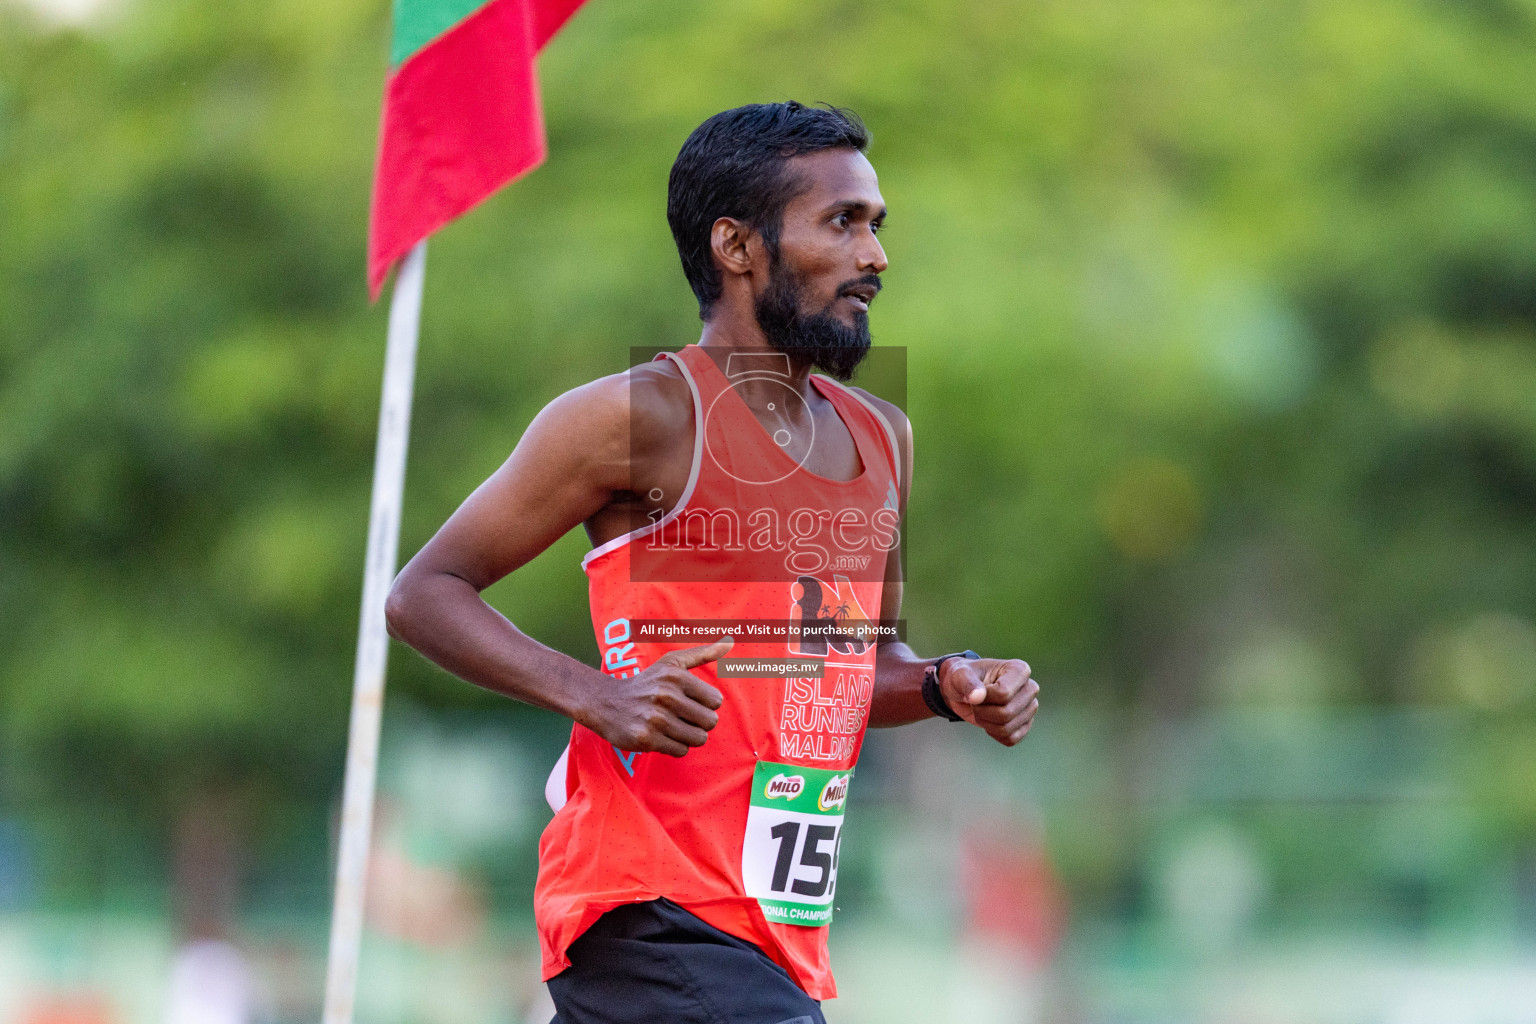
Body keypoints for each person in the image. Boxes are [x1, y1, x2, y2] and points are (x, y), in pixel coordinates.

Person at [385, 101, 1040, 1024]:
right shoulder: (640, 417)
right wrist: (594, 695)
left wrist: (947, 683)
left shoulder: (881, 434)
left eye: (876, 225)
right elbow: (423, 594)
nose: (876, 257)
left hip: (773, 934)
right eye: (842, 223)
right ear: (736, 245)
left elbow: (855, 667)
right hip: (644, 904)